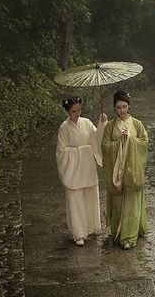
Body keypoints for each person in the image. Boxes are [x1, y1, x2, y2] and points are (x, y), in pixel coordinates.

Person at [56, 96, 108, 246]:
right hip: (73, 170)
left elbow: (96, 139)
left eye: (79, 110)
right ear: (67, 111)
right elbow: (61, 152)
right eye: (73, 111)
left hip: (87, 167)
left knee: (90, 196)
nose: (77, 113)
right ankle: (78, 233)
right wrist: (81, 151)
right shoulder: (64, 128)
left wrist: (102, 124)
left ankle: (92, 227)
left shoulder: (86, 123)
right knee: (75, 199)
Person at [101, 89, 148, 249]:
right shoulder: (110, 126)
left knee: (133, 202)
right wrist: (119, 143)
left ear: (129, 107)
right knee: (119, 202)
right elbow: (105, 147)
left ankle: (129, 237)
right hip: (117, 169)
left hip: (132, 169)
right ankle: (119, 232)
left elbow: (144, 143)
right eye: (118, 107)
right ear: (114, 108)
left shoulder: (137, 124)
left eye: (124, 107)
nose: (122, 110)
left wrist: (131, 140)